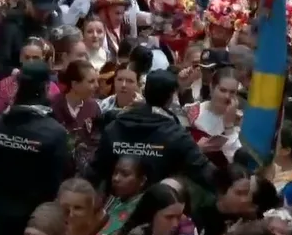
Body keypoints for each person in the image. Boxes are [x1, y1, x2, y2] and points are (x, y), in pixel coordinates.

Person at [0, 61, 69, 235]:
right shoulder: (55, 133)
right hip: (31, 224)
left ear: (17, 86)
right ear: (46, 88)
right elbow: (55, 182)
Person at [85, 69, 215, 191]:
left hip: (115, 208)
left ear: (144, 91)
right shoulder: (177, 134)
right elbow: (206, 174)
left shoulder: (114, 126)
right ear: (171, 96)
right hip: (159, 206)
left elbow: (94, 172)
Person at [101, 156, 148, 235]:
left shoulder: (143, 208)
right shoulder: (112, 201)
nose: (116, 178)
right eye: (115, 173)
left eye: (125, 174)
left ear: (142, 181)